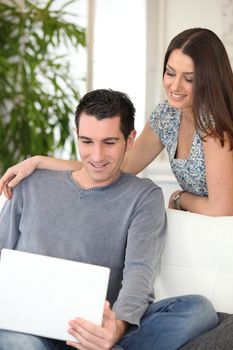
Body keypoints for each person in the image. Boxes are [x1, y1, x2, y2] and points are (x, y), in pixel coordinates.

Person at [0, 89, 218, 350]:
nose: (97, 156)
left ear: (130, 139)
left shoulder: (143, 196)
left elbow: (140, 273)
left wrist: (117, 326)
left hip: (96, 332)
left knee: (198, 310)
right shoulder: (31, 184)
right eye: (87, 141)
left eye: (109, 142)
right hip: (27, 329)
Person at [1, 28, 233, 216]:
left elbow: (221, 210)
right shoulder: (168, 116)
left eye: (189, 79)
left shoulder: (215, 126)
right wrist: (40, 162)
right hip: (205, 231)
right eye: (170, 73)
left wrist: (179, 197)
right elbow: (119, 165)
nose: (175, 86)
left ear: (208, 80)